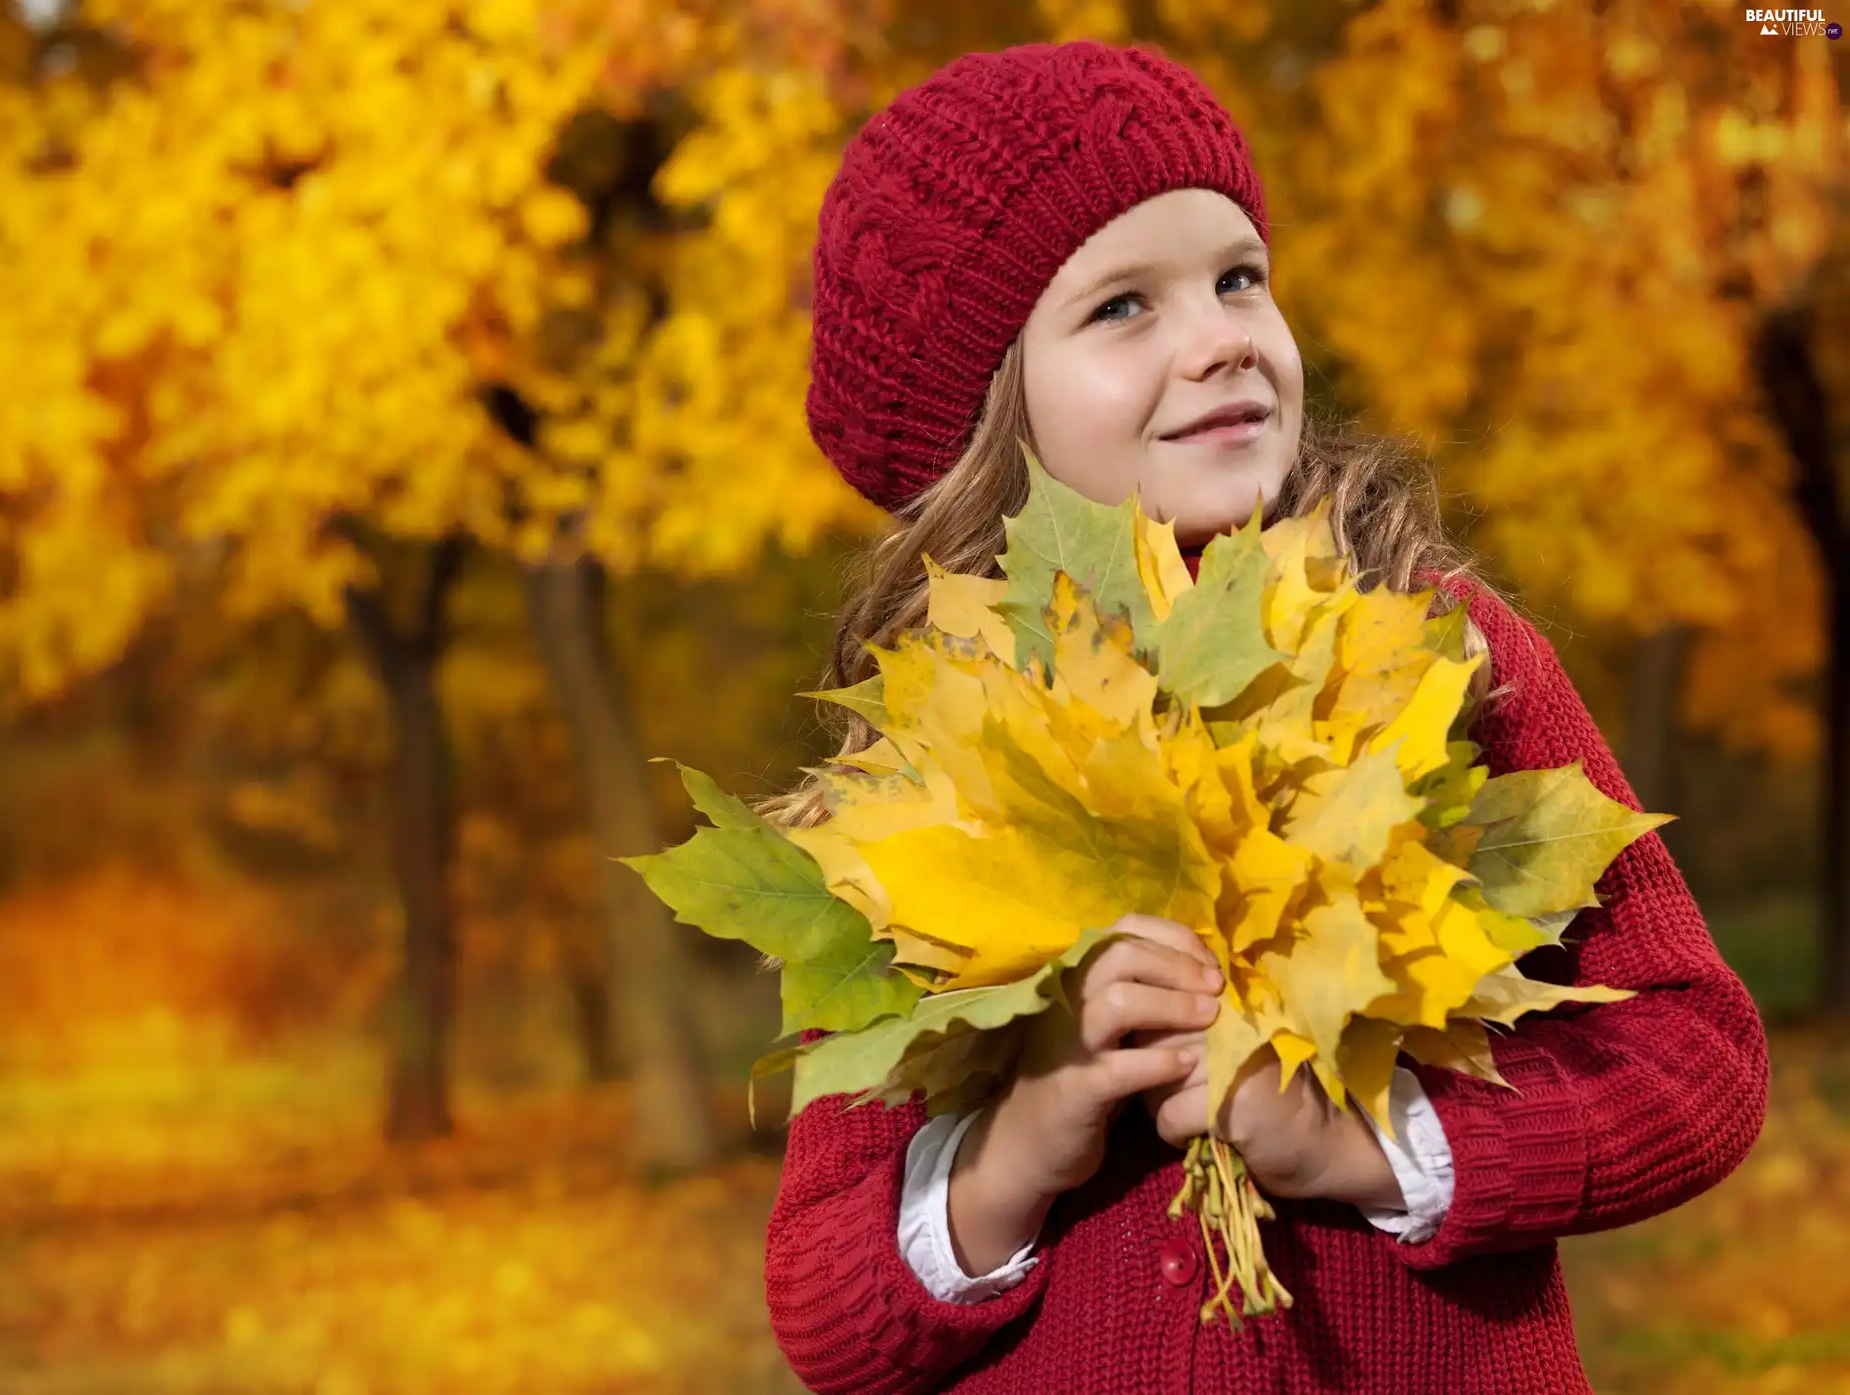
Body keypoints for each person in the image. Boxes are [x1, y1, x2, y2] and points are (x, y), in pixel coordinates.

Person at [758, 39, 1769, 1394]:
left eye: (1239, 277)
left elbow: (1698, 1058)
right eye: (1124, 306)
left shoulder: (1434, 650)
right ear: (987, 417)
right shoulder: (927, 781)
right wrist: (1023, 1138)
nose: (1222, 333)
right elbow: (827, 1315)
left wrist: (1373, 1142)